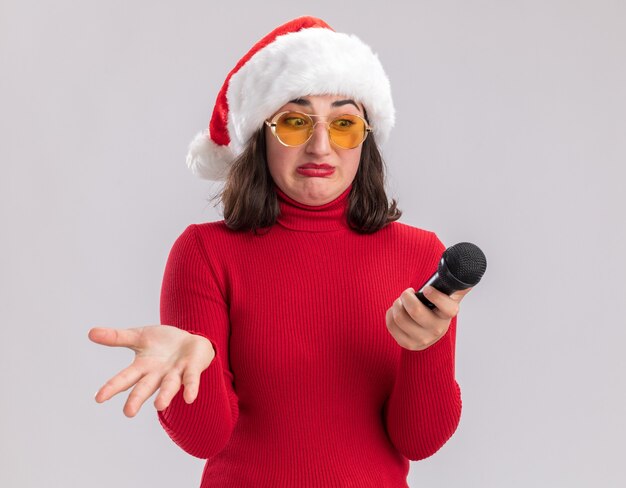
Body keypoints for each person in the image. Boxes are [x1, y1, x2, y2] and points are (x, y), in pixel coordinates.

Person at [88, 16, 471, 487]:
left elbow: (420, 441)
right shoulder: (204, 253)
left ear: (365, 138)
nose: (320, 146)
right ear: (261, 136)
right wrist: (195, 365)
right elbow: (203, 439)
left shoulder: (419, 255)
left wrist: (426, 350)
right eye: (295, 121)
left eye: (345, 124)